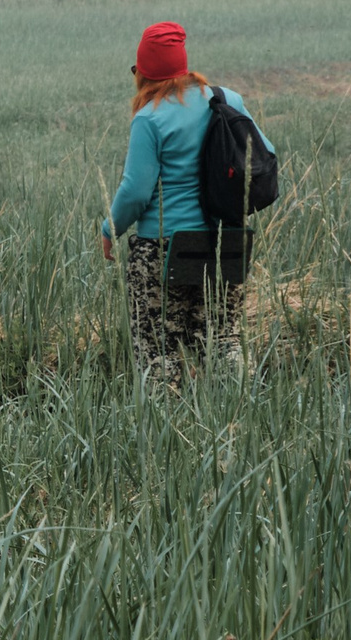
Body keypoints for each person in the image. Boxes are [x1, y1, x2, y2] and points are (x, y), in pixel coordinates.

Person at [101, 22, 269, 385]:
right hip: (226, 241)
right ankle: (241, 415)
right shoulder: (227, 101)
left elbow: (135, 192)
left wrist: (108, 229)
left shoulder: (150, 118)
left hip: (164, 250)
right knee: (224, 341)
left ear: (144, 74)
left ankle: (167, 435)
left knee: (159, 352)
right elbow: (264, 155)